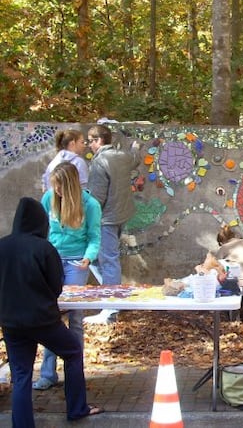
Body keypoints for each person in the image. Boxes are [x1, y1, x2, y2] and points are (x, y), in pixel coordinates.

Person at [0, 197, 103, 427]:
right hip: (43, 320)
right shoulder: (44, 248)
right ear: (41, 222)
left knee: (21, 375)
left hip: (11, 323)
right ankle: (77, 408)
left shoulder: (2, 246)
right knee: (73, 351)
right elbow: (56, 286)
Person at [33, 162, 102, 391]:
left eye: (60, 187)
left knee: (74, 317)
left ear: (70, 186)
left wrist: (88, 257)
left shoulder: (90, 205)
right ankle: (47, 373)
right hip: (51, 261)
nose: (57, 191)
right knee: (52, 316)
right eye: (54, 187)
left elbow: (94, 237)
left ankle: (75, 371)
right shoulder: (48, 198)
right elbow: (41, 232)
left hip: (76, 263)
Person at [83, 125, 140, 324]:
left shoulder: (99, 162)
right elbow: (135, 159)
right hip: (121, 215)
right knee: (100, 260)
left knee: (107, 260)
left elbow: (96, 197)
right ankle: (115, 295)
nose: (88, 144)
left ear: (99, 140)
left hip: (105, 218)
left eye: (90, 140)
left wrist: (86, 220)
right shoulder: (123, 156)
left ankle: (111, 309)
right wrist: (135, 147)